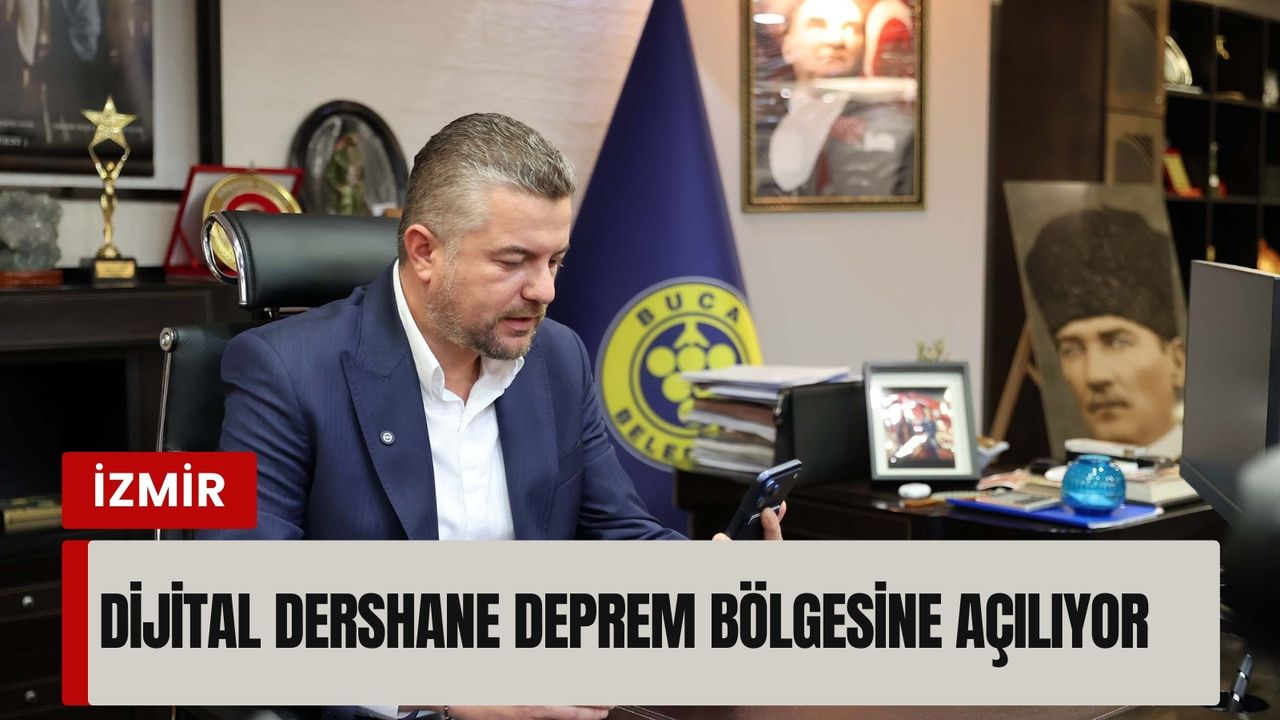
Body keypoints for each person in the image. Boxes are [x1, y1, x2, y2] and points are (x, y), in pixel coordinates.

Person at [204, 113, 782, 720]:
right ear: (425, 252)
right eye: (514, 262)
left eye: (555, 261)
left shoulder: (557, 358)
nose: (545, 291)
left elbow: (615, 532)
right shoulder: (286, 369)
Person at [1023, 207, 1187, 458]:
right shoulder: (1069, 477)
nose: (1095, 376)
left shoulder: (1214, 475)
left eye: (1118, 342)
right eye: (1071, 350)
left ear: (1177, 362)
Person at [754, 0, 915, 199]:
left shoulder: (892, 127)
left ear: (864, 47)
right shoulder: (758, 122)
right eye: (817, 25)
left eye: (851, 28)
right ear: (787, 46)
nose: (836, 40)